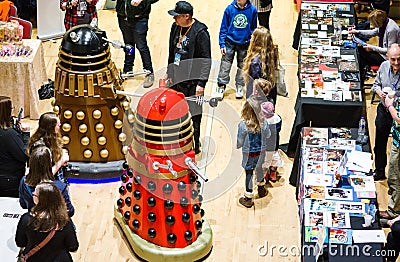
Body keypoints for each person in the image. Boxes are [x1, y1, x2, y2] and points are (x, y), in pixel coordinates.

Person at [166, 1, 211, 154]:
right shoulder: (175, 27)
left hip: (193, 83)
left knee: (195, 115)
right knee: (175, 112)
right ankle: (178, 141)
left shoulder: (200, 32)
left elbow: (206, 60)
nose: (174, 19)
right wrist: (169, 71)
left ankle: (194, 144)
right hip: (176, 80)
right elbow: (171, 52)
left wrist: (201, 84)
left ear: (187, 16)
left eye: (177, 16)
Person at [15, 182, 78, 261]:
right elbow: (73, 247)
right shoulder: (64, 221)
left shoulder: (26, 219)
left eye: (35, 193)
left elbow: (20, 242)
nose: (33, 193)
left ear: (41, 199)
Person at [369, 43, 400, 183]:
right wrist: (379, 91)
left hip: (398, 112)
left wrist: (394, 100)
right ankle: (380, 170)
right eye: (393, 59)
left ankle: (395, 181)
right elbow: (375, 84)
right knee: (380, 143)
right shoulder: (383, 67)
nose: (396, 63)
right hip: (384, 110)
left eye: (399, 59)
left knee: (396, 150)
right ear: (388, 57)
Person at [216, 0, 258, 100]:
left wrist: (251, 42)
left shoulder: (252, 10)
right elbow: (223, 27)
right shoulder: (229, 9)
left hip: (244, 43)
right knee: (225, 66)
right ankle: (221, 86)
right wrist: (222, 43)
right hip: (229, 42)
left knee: (242, 66)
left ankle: (240, 85)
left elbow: (253, 28)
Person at [19, 146, 75, 217]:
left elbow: (23, 204)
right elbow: (70, 212)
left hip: (34, 222)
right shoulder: (60, 187)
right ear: (49, 163)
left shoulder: (24, 182)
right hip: (55, 224)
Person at [237, 95, 271, 208]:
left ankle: (248, 198)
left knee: (249, 173)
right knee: (259, 168)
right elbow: (268, 135)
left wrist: (239, 145)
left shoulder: (243, 125)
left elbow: (240, 140)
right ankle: (261, 188)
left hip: (249, 154)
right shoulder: (264, 123)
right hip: (261, 151)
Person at [116, 0, 158, 88]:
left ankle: (149, 71)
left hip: (139, 19)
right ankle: (127, 69)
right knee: (128, 45)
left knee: (141, 46)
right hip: (123, 17)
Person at [348, 9, 400, 79]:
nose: (372, 25)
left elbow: (389, 51)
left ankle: (359, 77)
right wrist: (357, 31)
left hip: (387, 58)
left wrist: (372, 47)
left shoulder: (391, 30)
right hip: (381, 52)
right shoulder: (384, 23)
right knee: (359, 50)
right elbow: (373, 32)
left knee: (360, 55)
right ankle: (360, 75)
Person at [0, 96, 29, 197]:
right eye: (11, 108)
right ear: (6, 111)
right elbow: (24, 155)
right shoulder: (9, 134)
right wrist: (26, 135)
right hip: (9, 180)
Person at [27, 112, 69, 179]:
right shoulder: (40, 148)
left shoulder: (51, 140)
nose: (60, 125)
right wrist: (61, 161)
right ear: (51, 128)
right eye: (58, 125)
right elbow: (43, 177)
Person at [242, 26, 279, 103]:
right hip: (270, 92)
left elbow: (257, 84)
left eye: (253, 36)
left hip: (257, 96)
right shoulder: (272, 53)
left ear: (256, 41)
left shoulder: (255, 62)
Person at [260, 101, 282, 182]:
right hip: (274, 144)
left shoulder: (263, 122)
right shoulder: (277, 118)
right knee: (274, 159)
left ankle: (265, 172)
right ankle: (273, 172)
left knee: (265, 161)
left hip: (265, 146)